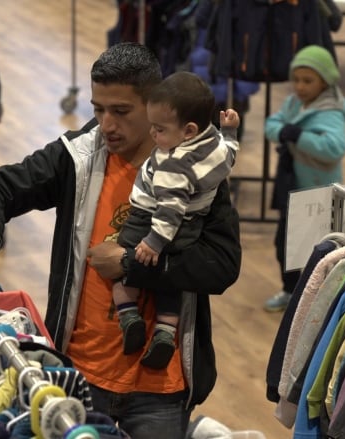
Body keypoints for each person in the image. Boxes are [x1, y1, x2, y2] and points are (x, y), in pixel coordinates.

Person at [0, 42, 241, 438]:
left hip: (161, 385)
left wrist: (128, 265)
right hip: (79, 373)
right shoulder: (77, 156)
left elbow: (222, 266)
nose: (106, 124)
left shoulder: (199, 175)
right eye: (97, 109)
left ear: (155, 108)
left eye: (121, 111)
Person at [112, 71, 240, 370]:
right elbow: (231, 154)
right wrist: (230, 131)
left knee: (122, 270)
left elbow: (169, 209)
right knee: (171, 282)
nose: (153, 135)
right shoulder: (215, 146)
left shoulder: (172, 163)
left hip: (151, 221)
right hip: (191, 229)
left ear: (188, 131)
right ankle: (165, 332)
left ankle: (129, 316)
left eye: (159, 129)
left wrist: (153, 242)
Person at [262, 45, 345, 312]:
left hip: (318, 191)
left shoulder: (331, 112)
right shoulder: (293, 103)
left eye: (307, 80)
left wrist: (298, 136)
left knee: (320, 247)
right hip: (291, 186)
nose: (300, 86)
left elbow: (335, 147)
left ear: (325, 81)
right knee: (286, 245)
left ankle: (320, 297)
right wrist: (286, 131)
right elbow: (271, 125)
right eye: (296, 79)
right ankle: (290, 290)